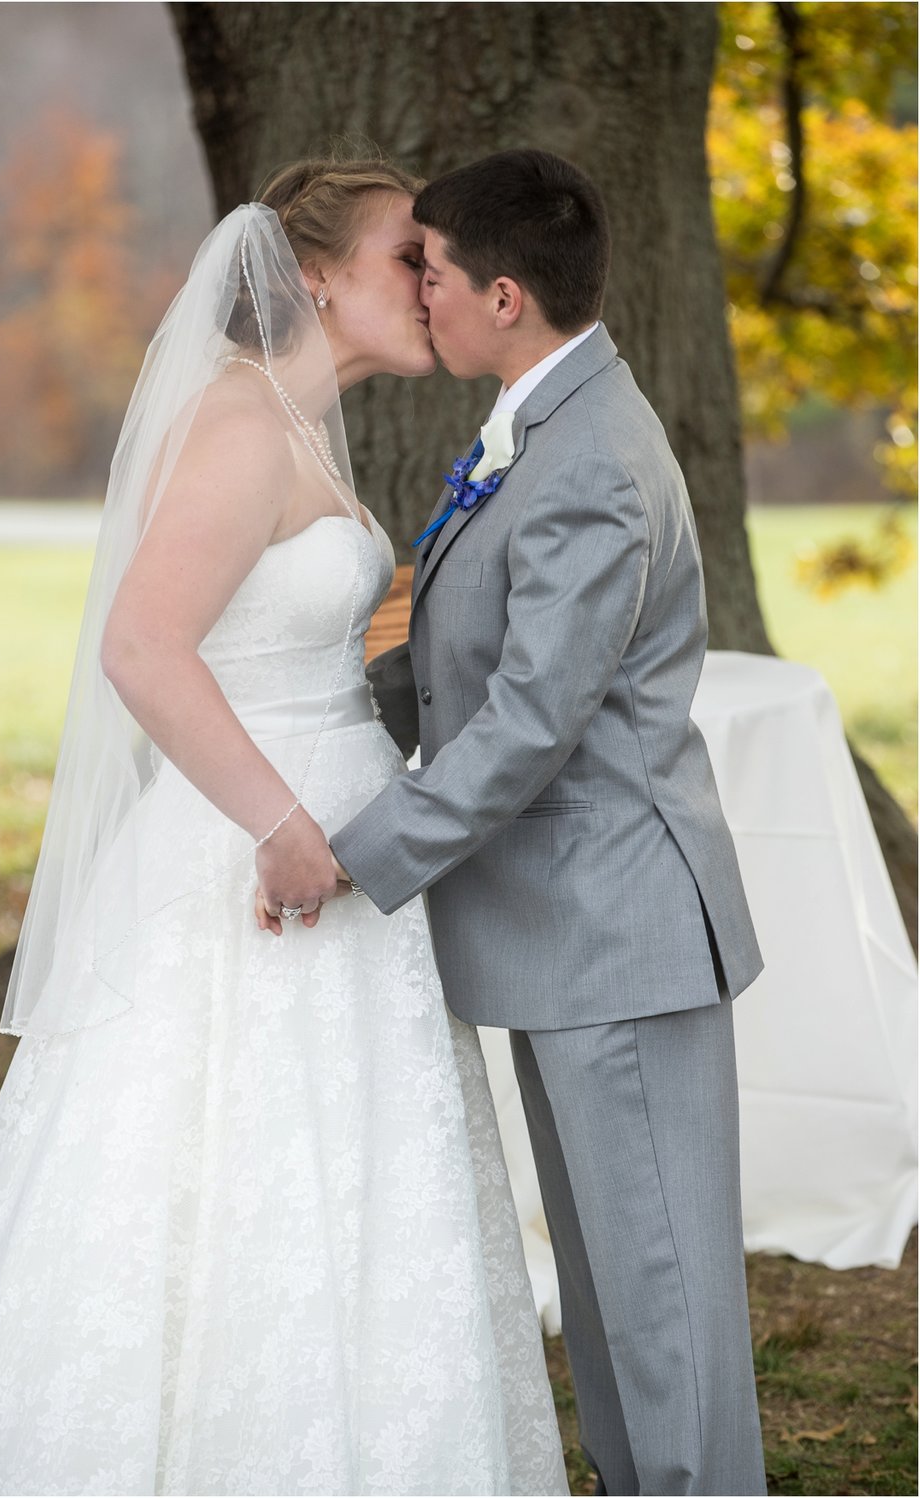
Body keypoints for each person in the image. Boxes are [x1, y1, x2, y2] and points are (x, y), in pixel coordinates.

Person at [0, 159, 568, 1497]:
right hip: (252, 860)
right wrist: (281, 823)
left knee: (344, 1183)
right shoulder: (241, 424)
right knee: (206, 1173)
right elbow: (145, 648)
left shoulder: (294, 421)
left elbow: (279, 629)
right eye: (409, 253)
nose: (430, 277)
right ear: (317, 275)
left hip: (338, 852)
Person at [322, 149, 769, 1496]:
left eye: (436, 273)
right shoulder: (544, 418)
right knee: (613, 1285)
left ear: (505, 295)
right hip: (570, 927)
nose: (423, 294)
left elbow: (529, 719)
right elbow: (470, 652)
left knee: (660, 1299)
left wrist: (360, 853)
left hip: (614, 928)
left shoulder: (588, 460)